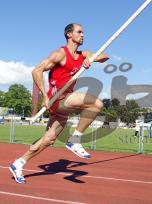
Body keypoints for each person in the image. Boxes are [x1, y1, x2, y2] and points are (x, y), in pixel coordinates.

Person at [9, 23, 109, 184]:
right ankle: (75, 139)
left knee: (48, 140)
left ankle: (18, 163)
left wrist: (91, 59)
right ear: (69, 34)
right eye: (79, 32)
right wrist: (44, 96)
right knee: (96, 104)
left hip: (65, 103)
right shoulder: (60, 54)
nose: (83, 35)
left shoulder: (82, 54)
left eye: (83, 32)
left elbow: (105, 57)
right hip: (58, 98)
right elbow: (36, 71)